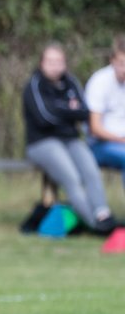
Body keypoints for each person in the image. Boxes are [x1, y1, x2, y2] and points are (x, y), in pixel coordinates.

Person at [22, 43, 114, 232]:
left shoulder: (71, 82)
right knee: (72, 178)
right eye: (50, 61)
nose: (54, 66)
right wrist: (67, 109)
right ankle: (96, 225)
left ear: (65, 63)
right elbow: (44, 118)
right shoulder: (34, 85)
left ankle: (103, 215)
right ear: (41, 63)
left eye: (59, 61)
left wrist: (60, 109)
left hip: (70, 140)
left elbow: (84, 113)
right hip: (42, 142)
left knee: (91, 171)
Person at [83, 35, 125, 197]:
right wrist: (122, 141)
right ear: (112, 60)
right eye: (122, 63)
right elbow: (95, 128)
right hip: (99, 146)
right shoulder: (100, 81)